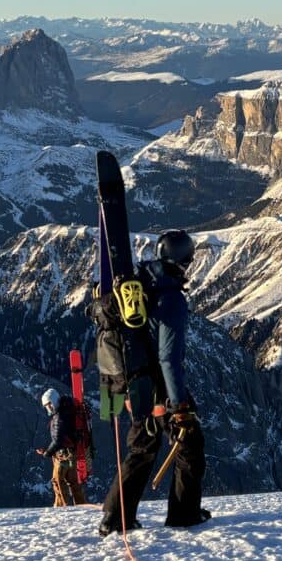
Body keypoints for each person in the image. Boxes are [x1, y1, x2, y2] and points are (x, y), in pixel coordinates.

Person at [99, 229, 210, 535]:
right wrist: (180, 405)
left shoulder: (142, 283)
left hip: (137, 382)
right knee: (190, 444)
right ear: (184, 260)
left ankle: (114, 517)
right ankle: (184, 514)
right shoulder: (170, 298)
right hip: (162, 386)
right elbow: (169, 358)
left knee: (142, 448)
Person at [35, 388, 87, 506]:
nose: (48, 409)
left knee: (57, 481)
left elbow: (58, 440)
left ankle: (62, 507)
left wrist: (47, 452)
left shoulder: (59, 417)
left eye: (49, 406)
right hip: (71, 452)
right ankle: (81, 505)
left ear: (53, 402)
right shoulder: (67, 410)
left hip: (63, 454)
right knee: (73, 481)